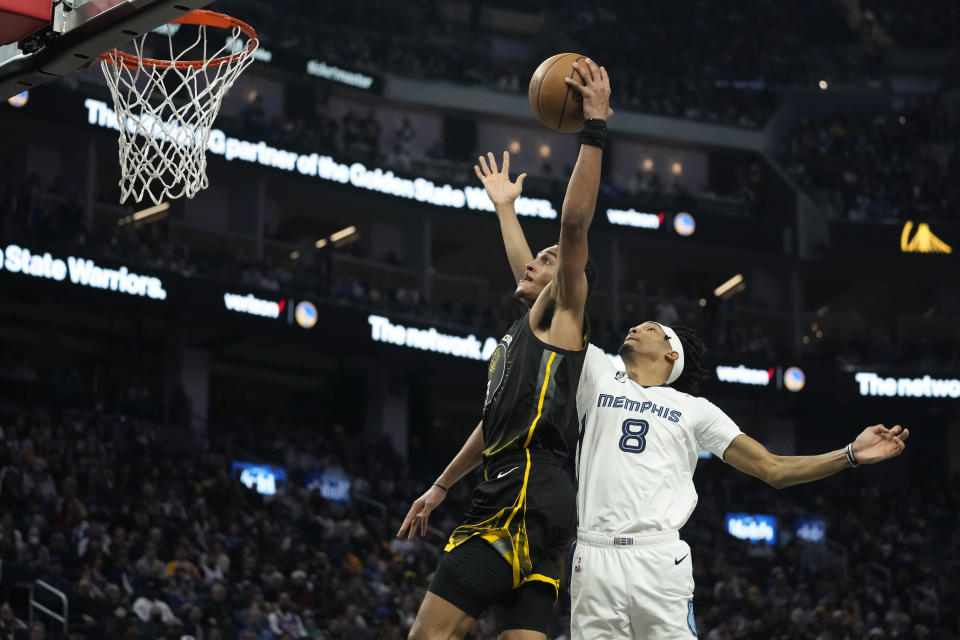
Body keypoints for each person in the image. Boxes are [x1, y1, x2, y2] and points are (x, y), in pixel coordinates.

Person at [398, 57, 613, 640]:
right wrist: (442, 484)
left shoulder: (566, 318)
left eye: (546, 263)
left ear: (565, 280)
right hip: (537, 500)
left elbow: (571, 229)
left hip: (517, 496)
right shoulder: (525, 335)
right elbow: (492, 428)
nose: (531, 263)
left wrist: (594, 128)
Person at [570, 321, 909, 639]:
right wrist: (537, 271)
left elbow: (772, 468)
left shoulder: (695, 408)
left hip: (657, 557)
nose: (634, 328)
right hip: (594, 552)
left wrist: (848, 453)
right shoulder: (598, 373)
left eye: (649, 328)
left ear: (672, 352)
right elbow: (561, 306)